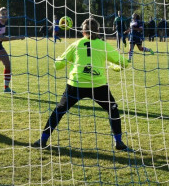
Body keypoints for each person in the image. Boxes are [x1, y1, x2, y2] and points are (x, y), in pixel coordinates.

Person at [32, 18, 133, 152]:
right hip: (97, 85)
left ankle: (42, 140)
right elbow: (124, 63)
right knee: (112, 110)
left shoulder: (75, 45)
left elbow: (58, 65)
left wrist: (57, 60)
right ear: (98, 30)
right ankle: (119, 142)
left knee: (59, 110)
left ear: (82, 31)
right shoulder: (104, 45)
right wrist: (114, 65)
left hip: (76, 84)